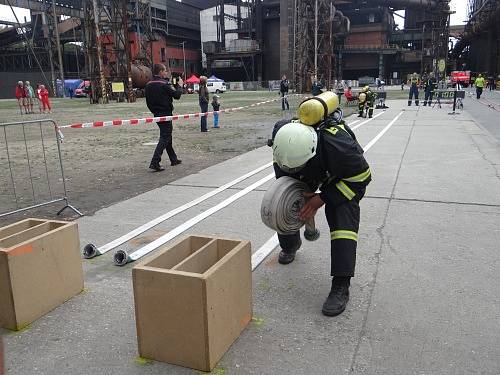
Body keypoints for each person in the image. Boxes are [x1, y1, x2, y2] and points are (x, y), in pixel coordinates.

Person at [269, 109, 371, 316]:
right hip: (302, 166)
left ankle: (341, 285)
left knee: (343, 221)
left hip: (338, 176)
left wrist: (322, 198)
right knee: (284, 202)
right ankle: (290, 245)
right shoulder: (284, 139)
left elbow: (362, 178)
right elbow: (283, 173)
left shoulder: (338, 145)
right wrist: (295, 194)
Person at [145, 63, 183, 172]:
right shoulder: (164, 84)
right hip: (165, 113)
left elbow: (148, 102)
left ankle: (173, 159)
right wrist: (179, 85)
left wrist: (154, 111)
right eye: (165, 70)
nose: (166, 73)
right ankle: (155, 162)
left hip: (156, 114)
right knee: (165, 137)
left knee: (167, 136)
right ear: (161, 71)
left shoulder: (148, 84)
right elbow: (177, 96)